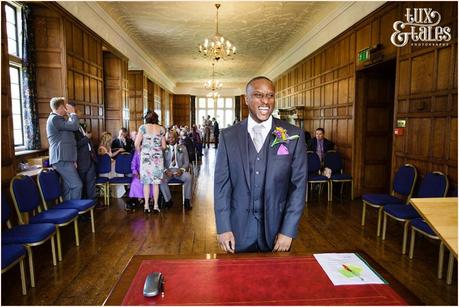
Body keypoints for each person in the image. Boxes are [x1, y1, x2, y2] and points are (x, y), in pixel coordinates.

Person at [214, 76, 307, 253]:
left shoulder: (293, 135)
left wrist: (288, 231)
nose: (265, 101)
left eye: (270, 95)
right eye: (258, 95)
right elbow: (221, 186)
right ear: (246, 99)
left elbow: (298, 186)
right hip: (237, 229)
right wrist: (223, 227)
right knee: (237, 278)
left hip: (277, 229)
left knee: (276, 279)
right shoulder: (228, 136)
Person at [46, 97, 83, 200]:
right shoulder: (55, 119)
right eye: (66, 107)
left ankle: (70, 214)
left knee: (68, 187)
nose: (67, 109)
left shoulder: (59, 119)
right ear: (61, 107)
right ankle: (75, 211)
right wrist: (73, 113)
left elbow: (69, 134)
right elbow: (74, 126)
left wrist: (72, 159)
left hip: (65, 158)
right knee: (77, 185)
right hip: (61, 158)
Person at [135, 111, 166, 213]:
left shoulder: (143, 128)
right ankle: (156, 206)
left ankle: (146, 206)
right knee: (156, 184)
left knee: (146, 183)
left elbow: (136, 144)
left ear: (146, 118)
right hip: (157, 159)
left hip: (146, 158)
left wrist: (140, 153)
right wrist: (156, 148)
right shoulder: (161, 129)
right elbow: (164, 146)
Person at [160, 130, 193, 210]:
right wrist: (165, 171)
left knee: (188, 177)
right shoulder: (164, 149)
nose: (171, 140)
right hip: (168, 171)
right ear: (166, 139)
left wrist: (181, 170)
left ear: (176, 138)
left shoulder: (182, 147)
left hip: (179, 170)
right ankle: (168, 200)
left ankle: (187, 200)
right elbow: (160, 163)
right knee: (160, 179)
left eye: (173, 137)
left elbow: (186, 162)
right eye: (169, 138)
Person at [74, 123, 96, 200]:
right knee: (82, 183)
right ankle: (83, 202)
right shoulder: (72, 130)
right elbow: (75, 145)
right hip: (81, 160)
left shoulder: (82, 127)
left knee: (91, 183)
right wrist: (86, 138)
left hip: (90, 158)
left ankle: (92, 202)